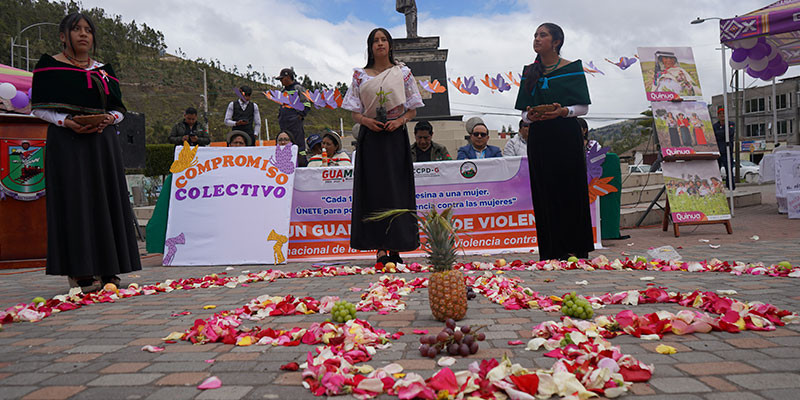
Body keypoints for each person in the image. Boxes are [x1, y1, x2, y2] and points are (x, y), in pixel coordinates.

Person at [31, 12, 141, 292]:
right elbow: (39, 108)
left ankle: (108, 268)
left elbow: (119, 108)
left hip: (101, 143)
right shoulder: (48, 67)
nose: (83, 34)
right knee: (75, 201)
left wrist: (110, 119)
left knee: (105, 200)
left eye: (88, 30)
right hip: (67, 143)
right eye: (76, 29)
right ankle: (80, 270)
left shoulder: (104, 70)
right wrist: (65, 122)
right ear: (62, 35)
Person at [342, 27, 424, 264]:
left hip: (395, 137)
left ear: (390, 44)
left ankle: (396, 246)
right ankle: (379, 247)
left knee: (396, 189)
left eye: (383, 40)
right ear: (370, 46)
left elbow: (412, 107)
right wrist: (368, 122)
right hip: (371, 138)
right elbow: (355, 113)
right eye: (375, 41)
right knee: (373, 190)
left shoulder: (403, 73)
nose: (380, 44)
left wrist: (399, 121)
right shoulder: (360, 75)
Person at [514, 22, 593, 261]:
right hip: (541, 138)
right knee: (544, 191)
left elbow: (583, 108)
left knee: (571, 188)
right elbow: (522, 115)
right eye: (535, 35)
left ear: (556, 41)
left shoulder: (572, 68)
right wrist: (532, 115)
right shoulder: (530, 71)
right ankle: (551, 250)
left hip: (566, 135)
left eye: (543, 35)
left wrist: (563, 111)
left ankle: (575, 248)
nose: (537, 39)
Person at [276, 68, 310, 166]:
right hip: (284, 123)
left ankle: (302, 165)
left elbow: (307, 104)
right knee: (284, 145)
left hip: (295, 124)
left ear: (288, 77)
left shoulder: (298, 88)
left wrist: (300, 115)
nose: (281, 81)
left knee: (298, 146)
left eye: (282, 79)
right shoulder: (282, 91)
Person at [713, 106, 735, 190]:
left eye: (724, 114)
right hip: (718, 151)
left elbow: (730, 133)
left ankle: (731, 187)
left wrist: (722, 132)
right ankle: (717, 187)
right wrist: (723, 133)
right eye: (720, 114)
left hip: (727, 151)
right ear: (718, 116)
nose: (722, 115)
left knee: (729, 170)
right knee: (716, 171)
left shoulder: (731, 124)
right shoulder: (715, 126)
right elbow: (715, 135)